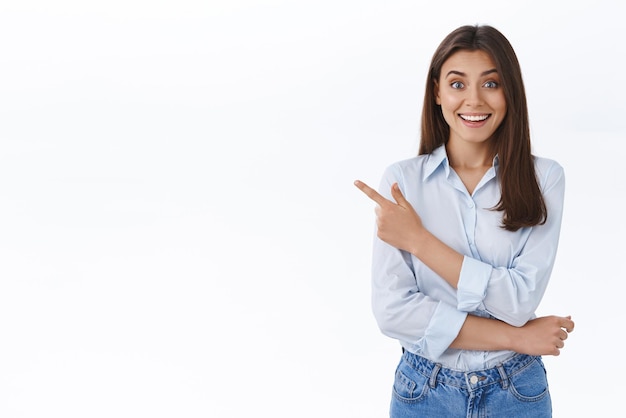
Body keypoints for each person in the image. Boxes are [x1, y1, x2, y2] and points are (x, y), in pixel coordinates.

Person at [354, 24, 574, 417]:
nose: (473, 100)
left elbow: (519, 300)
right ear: (437, 92)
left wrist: (420, 242)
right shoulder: (403, 181)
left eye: (491, 84)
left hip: (516, 391)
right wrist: (517, 337)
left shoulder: (545, 179)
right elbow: (394, 313)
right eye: (457, 84)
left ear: (510, 93)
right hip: (424, 391)